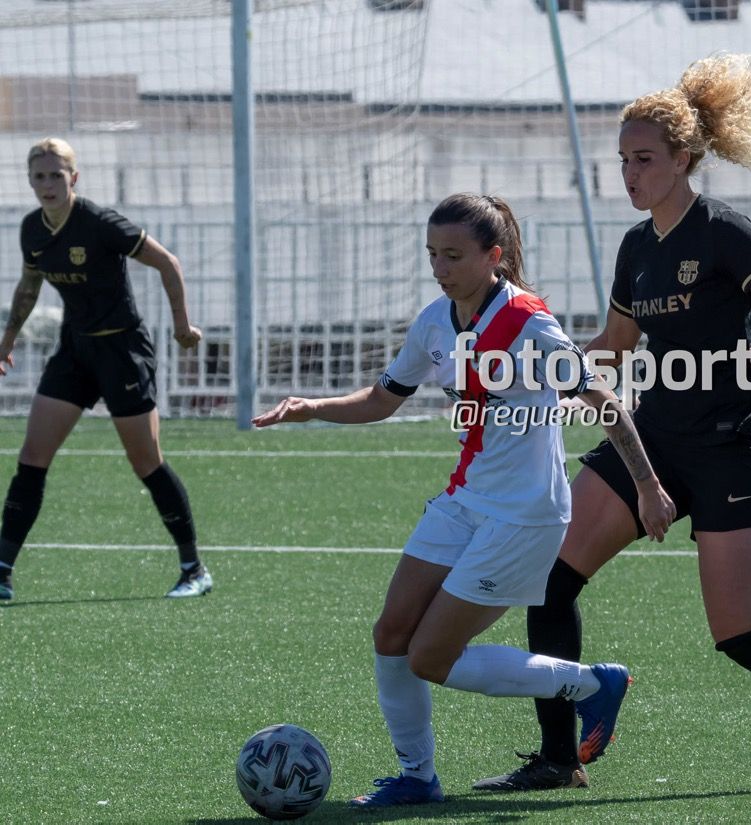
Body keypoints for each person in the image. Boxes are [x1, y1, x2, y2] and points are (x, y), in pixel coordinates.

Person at [474, 53, 751, 792]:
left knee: (740, 634)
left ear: (683, 159)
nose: (629, 174)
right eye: (623, 160)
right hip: (653, 440)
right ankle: (558, 760)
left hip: (730, 451)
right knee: (548, 582)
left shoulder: (723, 231)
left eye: (644, 159)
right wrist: (536, 373)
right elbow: (617, 346)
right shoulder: (635, 247)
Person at [252, 193, 676, 809]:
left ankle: (589, 685)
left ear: (493, 256)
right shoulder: (434, 322)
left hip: (525, 515)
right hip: (465, 499)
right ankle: (417, 777)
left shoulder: (529, 324)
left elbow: (603, 401)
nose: (439, 267)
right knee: (391, 634)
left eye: (452, 255)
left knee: (429, 657)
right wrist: (312, 407)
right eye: (432, 254)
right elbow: (383, 399)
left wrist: (647, 486)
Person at [0, 137, 211, 601]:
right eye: (39, 176)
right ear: (30, 181)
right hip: (75, 352)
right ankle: (2, 572)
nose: (48, 184)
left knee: (146, 463)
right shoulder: (32, 228)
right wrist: (8, 338)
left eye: (57, 175)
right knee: (32, 457)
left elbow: (167, 263)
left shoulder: (99, 223)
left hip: (122, 351)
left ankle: (193, 569)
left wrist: (182, 327)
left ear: (73, 178)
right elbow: (29, 285)